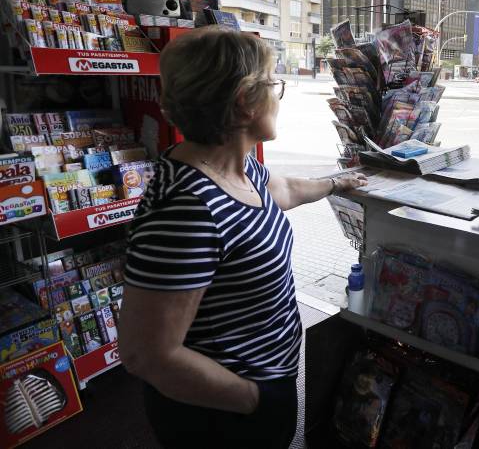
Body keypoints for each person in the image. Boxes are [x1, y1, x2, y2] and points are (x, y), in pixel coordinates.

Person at [117, 27, 366, 448]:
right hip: (222, 412)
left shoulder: (237, 168)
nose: (278, 96)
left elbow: (282, 190)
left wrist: (337, 184)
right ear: (244, 101)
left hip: (263, 384)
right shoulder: (189, 209)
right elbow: (147, 353)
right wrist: (254, 399)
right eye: (274, 84)